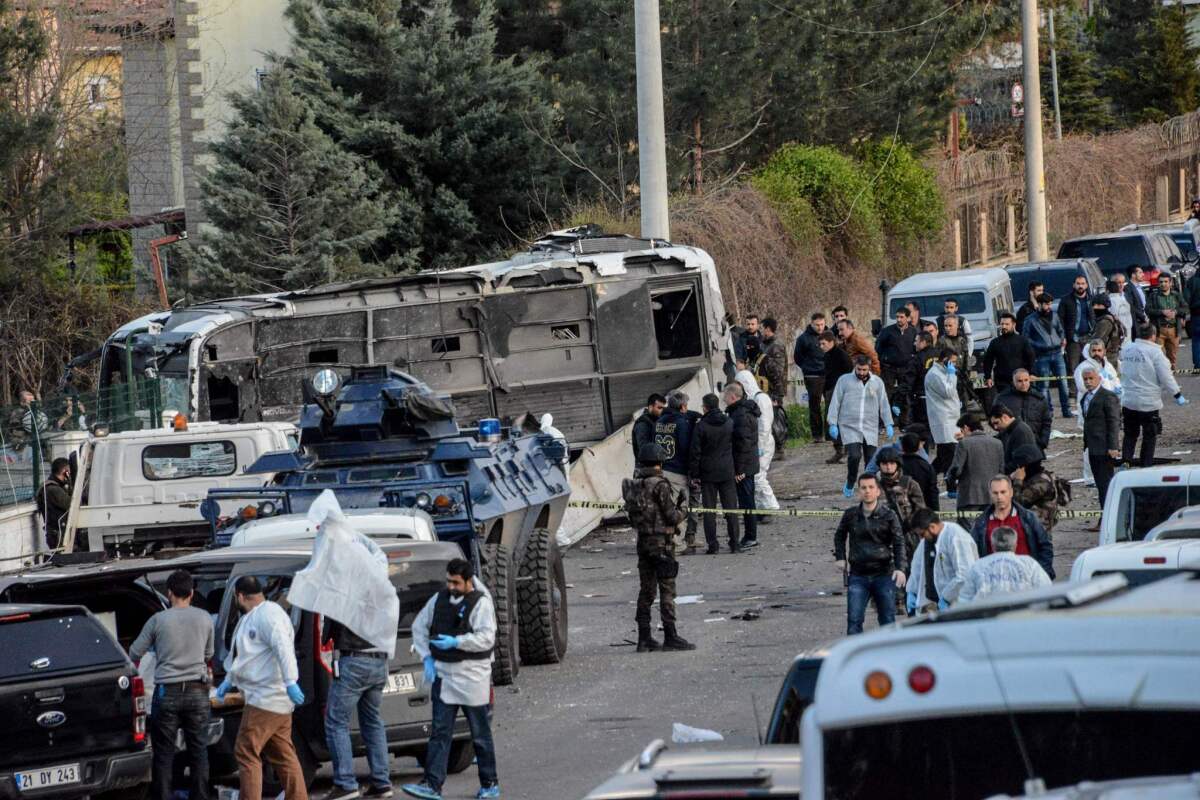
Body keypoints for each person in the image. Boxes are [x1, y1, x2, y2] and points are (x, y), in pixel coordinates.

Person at [404, 559, 501, 800]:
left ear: (468, 581)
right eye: (449, 581)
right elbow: (419, 626)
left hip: (473, 676)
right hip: (445, 675)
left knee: (479, 734)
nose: (451, 586)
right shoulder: (439, 600)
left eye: (456, 582)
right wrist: (426, 656)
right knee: (439, 733)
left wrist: (458, 642)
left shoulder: (481, 603)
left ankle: (490, 783)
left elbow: (486, 638)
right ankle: (432, 784)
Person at [215, 575, 308, 800]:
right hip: (276, 698)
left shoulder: (267, 616)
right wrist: (230, 680)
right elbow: (249, 658)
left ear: (239, 596)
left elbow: (283, 648)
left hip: (266, 698)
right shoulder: (259, 615)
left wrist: (290, 681)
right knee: (282, 754)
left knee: (245, 751)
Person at [129, 570, 214, 800]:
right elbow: (209, 653)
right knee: (199, 750)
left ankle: (164, 795)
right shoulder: (205, 618)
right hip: (198, 691)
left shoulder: (158, 620)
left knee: (164, 752)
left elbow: (135, 652)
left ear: (169, 593)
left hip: (167, 692)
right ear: (192, 592)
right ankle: (201, 796)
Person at [621, 443, 693, 652]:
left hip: (644, 543)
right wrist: (684, 508)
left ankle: (644, 638)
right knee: (667, 589)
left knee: (646, 591)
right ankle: (671, 636)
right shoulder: (660, 484)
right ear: (659, 461)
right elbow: (671, 516)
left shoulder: (635, 484)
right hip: (662, 544)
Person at [321, 608, 394, 800]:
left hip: (354, 661)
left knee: (335, 722)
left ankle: (345, 784)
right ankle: (382, 782)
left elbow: (325, 634)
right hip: (380, 661)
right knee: (373, 722)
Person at [833, 472, 907, 635]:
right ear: (858, 491)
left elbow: (899, 541)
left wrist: (900, 568)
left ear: (878, 491)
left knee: (888, 621)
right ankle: (854, 658)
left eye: (871, 487)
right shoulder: (851, 514)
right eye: (863, 488)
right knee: (854, 621)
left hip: (883, 574)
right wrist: (840, 557)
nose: (867, 491)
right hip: (858, 575)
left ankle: (890, 657)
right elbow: (839, 535)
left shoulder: (889, 515)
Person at [1121, 324, 1188, 468]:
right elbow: (1166, 377)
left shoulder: (1127, 349)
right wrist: (1177, 395)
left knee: (1130, 434)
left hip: (1128, 400)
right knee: (1149, 435)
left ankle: (1125, 461)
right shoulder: (1156, 353)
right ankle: (1146, 465)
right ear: (1153, 336)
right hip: (1148, 402)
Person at [828, 356, 895, 498]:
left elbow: (883, 403)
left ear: (869, 368)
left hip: (870, 426)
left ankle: (869, 489)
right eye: (859, 369)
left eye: (865, 370)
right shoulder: (844, 380)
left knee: (871, 461)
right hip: (849, 425)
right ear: (855, 366)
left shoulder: (877, 382)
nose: (862, 372)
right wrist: (832, 422)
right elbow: (835, 401)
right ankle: (851, 481)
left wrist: (888, 423)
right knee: (854, 455)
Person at [969, 475, 1055, 579]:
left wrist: (1040, 574)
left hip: (1026, 582)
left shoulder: (1028, 518)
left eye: (1003, 492)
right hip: (994, 584)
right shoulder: (981, 523)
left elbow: (1045, 546)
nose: (999, 497)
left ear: (1011, 492)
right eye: (995, 493)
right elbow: (971, 553)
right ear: (990, 494)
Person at [688, 393, 742, 554]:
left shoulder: (701, 426)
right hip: (727, 470)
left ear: (705, 407)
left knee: (709, 511)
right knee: (731, 509)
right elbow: (737, 447)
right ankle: (735, 544)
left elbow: (695, 452)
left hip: (708, 473)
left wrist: (695, 474)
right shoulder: (729, 422)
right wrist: (738, 469)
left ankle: (713, 545)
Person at [905, 509, 979, 612]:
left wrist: (947, 598)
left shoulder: (956, 537)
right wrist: (912, 591)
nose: (921, 538)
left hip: (960, 603)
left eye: (922, 534)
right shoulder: (927, 540)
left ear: (932, 527)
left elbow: (964, 574)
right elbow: (917, 567)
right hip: (938, 603)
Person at [655, 390, 701, 554]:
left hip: (662, 468)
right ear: (682, 406)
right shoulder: (682, 424)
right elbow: (686, 447)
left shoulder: (660, 421)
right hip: (677, 471)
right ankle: (676, 544)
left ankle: (668, 542)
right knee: (679, 508)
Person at [958, 525, 1051, 603]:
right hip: (1022, 615)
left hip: (986, 618)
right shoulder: (1030, 564)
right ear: (1015, 545)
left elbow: (965, 599)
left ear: (992, 545)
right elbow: (1046, 590)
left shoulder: (978, 566)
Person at [734, 369, 780, 525]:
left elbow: (764, 426)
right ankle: (761, 509)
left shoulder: (761, 399)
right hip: (756, 443)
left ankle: (770, 507)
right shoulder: (752, 398)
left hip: (763, 443)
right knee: (754, 476)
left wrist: (759, 446)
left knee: (759, 476)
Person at [1080, 365, 1121, 527]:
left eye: (1091, 378)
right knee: (1100, 484)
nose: (1088, 382)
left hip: (1104, 448)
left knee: (1105, 485)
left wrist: (1113, 446)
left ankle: (1107, 520)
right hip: (1092, 447)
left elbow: (1114, 422)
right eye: (1085, 379)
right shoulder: (1086, 398)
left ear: (1099, 378)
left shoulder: (1107, 397)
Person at [946, 414, 1005, 526]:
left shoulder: (964, 443)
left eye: (962, 430)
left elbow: (956, 469)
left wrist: (950, 480)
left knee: (967, 531)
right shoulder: (997, 443)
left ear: (966, 428)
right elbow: (1001, 471)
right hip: (992, 496)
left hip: (969, 496)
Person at [1021, 293, 1072, 418]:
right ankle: (1047, 411)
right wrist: (1039, 345)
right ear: (1039, 304)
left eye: (1050, 304)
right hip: (1042, 356)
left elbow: (1060, 329)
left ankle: (1066, 410)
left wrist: (1061, 339)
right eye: (1046, 304)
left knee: (1063, 384)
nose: (1049, 306)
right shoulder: (1030, 320)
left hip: (1057, 353)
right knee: (1044, 386)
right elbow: (1025, 338)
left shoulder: (1054, 316)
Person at [875, 449, 926, 569]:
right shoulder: (875, 485)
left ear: (897, 464)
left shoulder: (909, 484)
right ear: (880, 465)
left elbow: (920, 510)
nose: (888, 467)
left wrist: (908, 525)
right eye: (884, 464)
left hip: (908, 534)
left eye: (892, 463)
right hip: (883, 534)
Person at [724, 382, 760, 548]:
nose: (723, 399)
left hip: (744, 467)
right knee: (747, 501)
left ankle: (750, 537)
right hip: (748, 465)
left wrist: (739, 470)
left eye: (725, 396)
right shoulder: (742, 412)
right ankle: (750, 535)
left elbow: (743, 444)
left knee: (747, 502)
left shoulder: (740, 415)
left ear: (732, 396)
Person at [876, 307, 916, 426]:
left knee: (905, 395)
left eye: (902, 317)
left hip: (906, 368)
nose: (898, 319)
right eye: (897, 317)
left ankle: (904, 422)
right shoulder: (887, 331)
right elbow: (878, 347)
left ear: (908, 318)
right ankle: (884, 422)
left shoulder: (913, 332)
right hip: (889, 368)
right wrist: (882, 362)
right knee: (886, 395)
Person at [923, 347, 961, 475]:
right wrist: (952, 374)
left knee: (943, 457)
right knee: (949, 456)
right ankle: (950, 485)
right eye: (953, 362)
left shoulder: (943, 372)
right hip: (943, 420)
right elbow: (948, 392)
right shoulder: (934, 374)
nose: (954, 365)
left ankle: (927, 478)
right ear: (945, 360)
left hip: (951, 419)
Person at [756, 317, 789, 456]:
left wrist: (776, 393)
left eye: (761, 327)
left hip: (774, 388)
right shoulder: (763, 344)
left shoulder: (776, 345)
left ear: (768, 329)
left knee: (776, 418)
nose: (760, 330)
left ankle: (780, 448)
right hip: (764, 387)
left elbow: (778, 370)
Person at [995, 369, 1052, 451]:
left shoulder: (1039, 399)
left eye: (1026, 380)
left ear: (1030, 380)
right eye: (1019, 381)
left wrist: (1043, 442)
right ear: (1013, 381)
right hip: (1011, 446)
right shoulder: (1002, 399)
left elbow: (1046, 422)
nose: (1023, 384)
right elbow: (995, 421)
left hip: (1035, 445)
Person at [793, 312, 829, 442]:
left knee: (831, 404)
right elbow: (797, 357)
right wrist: (807, 367)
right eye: (817, 325)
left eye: (822, 324)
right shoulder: (803, 338)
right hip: (812, 375)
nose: (820, 327)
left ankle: (830, 434)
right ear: (811, 324)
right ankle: (817, 435)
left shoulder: (829, 335)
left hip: (829, 374)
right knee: (814, 405)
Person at [819, 330, 853, 464]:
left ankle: (848, 451)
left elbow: (849, 371)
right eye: (820, 344)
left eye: (823, 344)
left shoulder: (841, 355)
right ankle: (838, 450)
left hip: (841, 391)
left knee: (843, 420)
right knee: (831, 420)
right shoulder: (827, 356)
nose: (821, 346)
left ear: (831, 342)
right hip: (829, 390)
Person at [1008, 442, 1058, 534]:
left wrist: (1018, 481)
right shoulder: (1036, 477)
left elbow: (1017, 503)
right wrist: (1010, 478)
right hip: (1031, 526)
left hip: (1038, 529)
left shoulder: (1040, 482)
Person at [980, 312, 1035, 393]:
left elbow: (1031, 357)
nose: (1003, 326)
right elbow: (988, 360)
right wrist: (988, 377)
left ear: (1013, 325)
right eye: (1002, 324)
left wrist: (1031, 373)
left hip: (1020, 380)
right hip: (1002, 382)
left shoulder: (1022, 340)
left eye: (1007, 324)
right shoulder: (995, 342)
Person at [1058, 274, 1095, 390]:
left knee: (1089, 365)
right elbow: (1060, 320)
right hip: (1073, 339)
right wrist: (1063, 336)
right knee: (1073, 367)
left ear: (1086, 285)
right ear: (1074, 285)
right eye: (1078, 284)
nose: (1080, 286)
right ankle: (1074, 391)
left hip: (1088, 337)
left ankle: (1089, 388)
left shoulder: (1091, 299)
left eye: (1083, 284)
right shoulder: (1066, 300)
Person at [1145, 273, 1185, 369]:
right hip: (1159, 330)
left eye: (1166, 281)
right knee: (1159, 356)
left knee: (1172, 357)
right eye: (1161, 282)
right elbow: (1148, 310)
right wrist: (1162, 312)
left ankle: (1171, 377)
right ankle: (1162, 377)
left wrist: (1176, 312)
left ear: (1170, 283)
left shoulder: (1176, 295)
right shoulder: (1153, 296)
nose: (1163, 284)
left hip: (1173, 329)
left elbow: (1185, 307)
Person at [990, 403, 1041, 474]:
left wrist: (1002, 471)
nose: (995, 427)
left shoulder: (1021, 431)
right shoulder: (1009, 429)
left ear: (1005, 417)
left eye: (996, 423)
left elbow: (1022, 461)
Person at [35, 456, 72, 552]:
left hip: (56, 533)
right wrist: (71, 482)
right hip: (58, 535)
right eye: (69, 471)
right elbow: (72, 505)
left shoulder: (53, 487)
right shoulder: (53, 489)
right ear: (65, 471)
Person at [940, 315, 974, 406]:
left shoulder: (962, 340)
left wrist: (967, 373)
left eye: (950, 326)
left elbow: (966, 357)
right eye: (946, 326)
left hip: (962, 379)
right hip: (948, 379)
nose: (947, 328)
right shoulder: (942, 341)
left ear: (956, 325)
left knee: (964, 406)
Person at [900, 432, 938, 510]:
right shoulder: (926, 466)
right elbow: (932, 492)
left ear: (902, 447)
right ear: (918, 447)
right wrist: (935, 512)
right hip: (922, 508)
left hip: (901, 509)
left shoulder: (896, 465)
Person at [908, 331, 935, 425]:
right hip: (939, 400)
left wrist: (898, 400)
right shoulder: (941, 354)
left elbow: (909, 380)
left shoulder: (918, 358)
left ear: (923, 342)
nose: (914, 343)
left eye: (916, 341)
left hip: (922, 400)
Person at [1090, 294, 1125, 364]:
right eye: (1094, 305)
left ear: (1105, 306)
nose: (1095, 307)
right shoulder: (1110, 317)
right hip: (1111, 354)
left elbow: (1097, 339)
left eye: (1099, 305)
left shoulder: (1105, 321)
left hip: (1108, 356)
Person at [632, 394, 666, 459]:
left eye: (663, 408)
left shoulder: (655, 420)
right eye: (659, 408)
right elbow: (644, 449)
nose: (662, 411)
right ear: (650, 407)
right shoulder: (642, 424)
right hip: (647, 466)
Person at [1107, 279, 1134, 349]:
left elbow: (1112, 319)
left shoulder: (1110, 302)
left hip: (1119, 336)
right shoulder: (1124, 301)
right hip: (1128, 333)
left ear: (1107, 290)